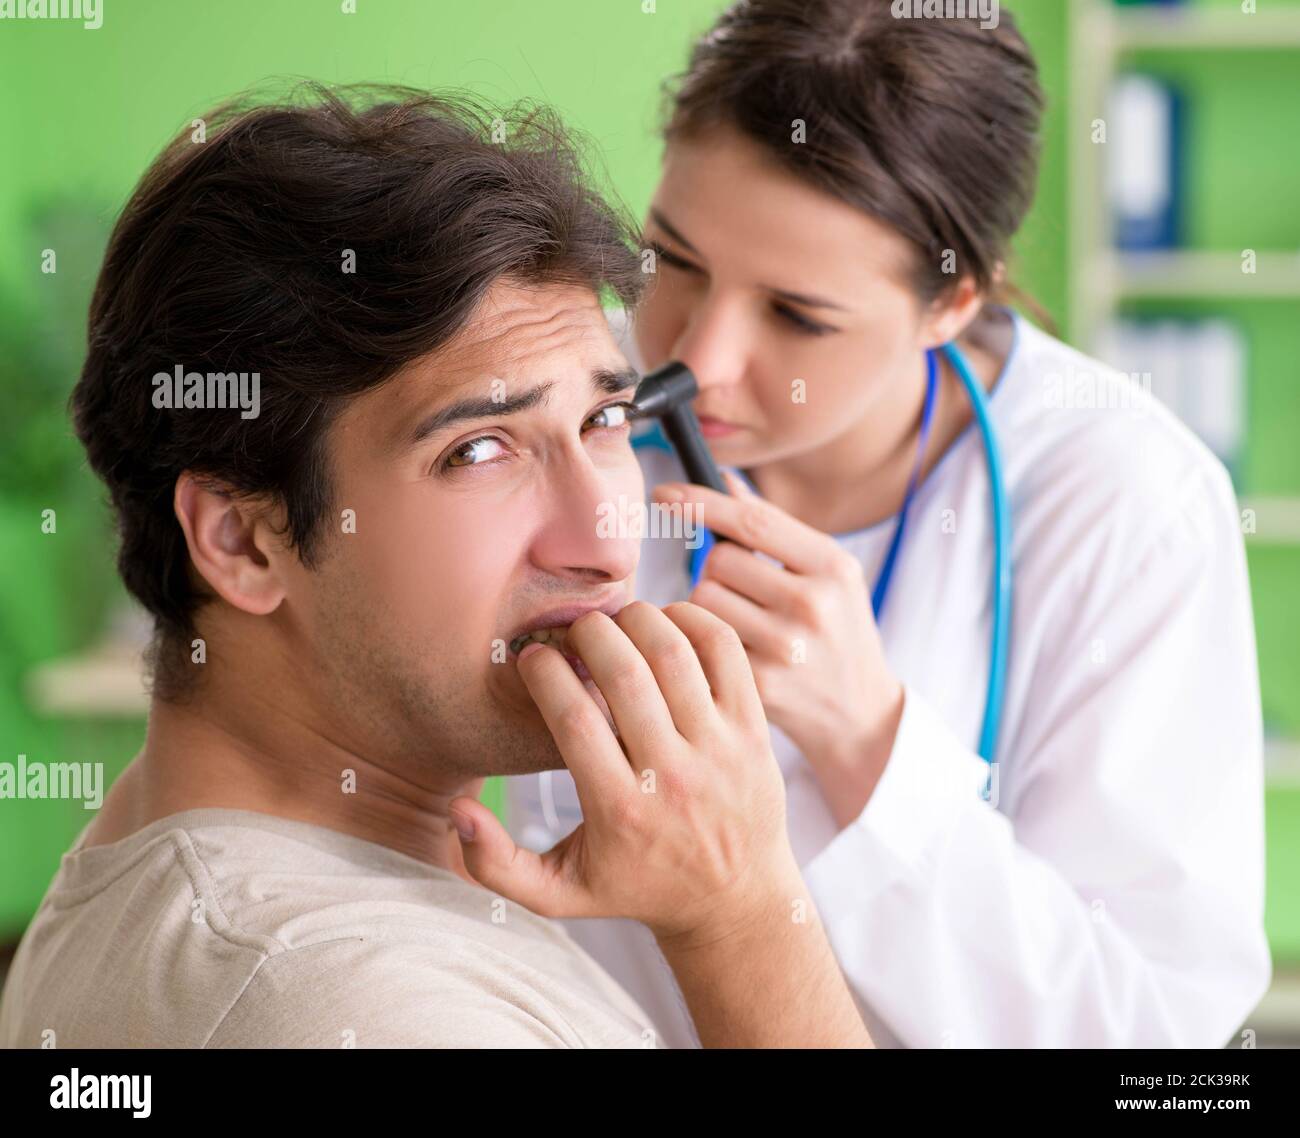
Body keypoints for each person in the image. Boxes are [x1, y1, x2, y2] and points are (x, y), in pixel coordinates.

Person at [0, 85, 871, 1049]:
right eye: (480, 451)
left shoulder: (171, 839)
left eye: (603, 421)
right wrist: (740, 913)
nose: (605, 539)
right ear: (243, 542)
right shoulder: (354, 1005)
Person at [505, 0, 1271, 1048]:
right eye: (671, 261)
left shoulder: (1126, 500)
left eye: (796, 315)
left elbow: (1146, 1035)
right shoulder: (552, 408)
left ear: (952, 305)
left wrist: (867, 736)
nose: (696, 355)